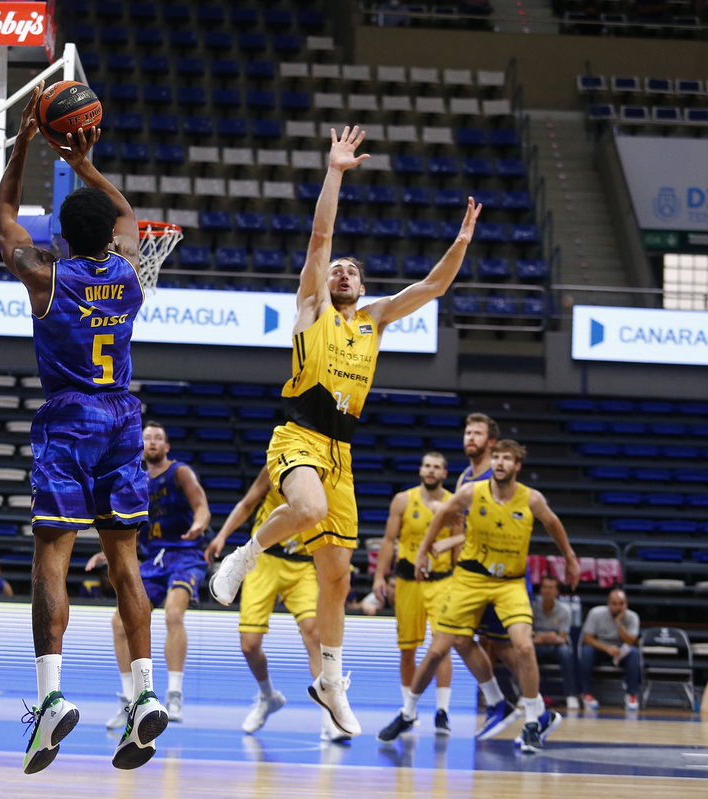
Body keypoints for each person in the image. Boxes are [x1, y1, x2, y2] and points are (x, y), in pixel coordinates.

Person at [209, 125, 483, 738]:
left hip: (342, 453)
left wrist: (462, 241)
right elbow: (320, 238)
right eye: (336, 269)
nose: (342, 273)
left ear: (363, 287)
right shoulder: (311, 309)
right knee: (307, 508)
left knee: (337, 576)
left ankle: (330, 682)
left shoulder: (375, 321)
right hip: (298, 434)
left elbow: (434, 286)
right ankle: (247, 555)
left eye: (352, 271)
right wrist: (334, 171)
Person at [0, 82, 166, 773]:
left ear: (63, 237)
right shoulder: (129, 273)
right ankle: (144, 693)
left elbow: (5, 217)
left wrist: (23, 143)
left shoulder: (46, 277)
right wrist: (84, 161)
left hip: (69, 418)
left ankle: (51, 696)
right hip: (123, 418)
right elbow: (125, 213)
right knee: (125, 564)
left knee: (52, 561)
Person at [377, 440, 580, 754]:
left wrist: (569, 557)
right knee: (439, 648)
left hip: (509, 583)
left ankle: (531, 722)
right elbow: (443, 515)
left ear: (517, 466)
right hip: (470, 579)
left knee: (523, 646)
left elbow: (553, 523)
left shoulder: (531, 498)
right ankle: (408, 712)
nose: (499, 463)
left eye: (506, 459)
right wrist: (423, 551)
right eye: (496, 457)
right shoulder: (472, 491)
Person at [205, 469, 351, 744]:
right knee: (249, 644)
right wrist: (223, 535)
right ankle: (267, 696)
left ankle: (330, 717)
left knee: (314, 633)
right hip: (265, 560)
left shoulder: (331, 467)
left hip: (303, 563)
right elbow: (247, 503)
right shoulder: (277, 464)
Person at [88, 420, 210, 728]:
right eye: (148, 438)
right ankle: (130, 700)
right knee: (119, 622)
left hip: (185, 556)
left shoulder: (180, 472)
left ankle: (174, 694)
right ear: (141, 446)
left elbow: (201, 504)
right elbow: (135, 529)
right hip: (153, 560)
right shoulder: (136, 480)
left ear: (167, 446)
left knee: (173, 614)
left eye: (158, 438)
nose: (153, 442)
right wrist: (108, 553)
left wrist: (200, 523)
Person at [372, 451, 455, 736]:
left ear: (444, 473)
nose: (431, 470)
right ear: (420, 470)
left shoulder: (453, 502)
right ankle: (409, 709)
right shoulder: (403, 500)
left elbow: (458, 545)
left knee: (442, 646)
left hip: (442, 580)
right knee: (407, 649)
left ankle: (442, 712)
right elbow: (388, 540)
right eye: (427, 465)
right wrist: (379, 576)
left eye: (437, 467)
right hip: (408, 581)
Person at [454, 412, 524, 705]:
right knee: (460, 638)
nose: (470, 438)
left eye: (477, 433)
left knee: (504, 646)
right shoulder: (464, 477)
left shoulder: (495, 479)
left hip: (496, 573)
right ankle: (497, 699)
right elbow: (460, 527)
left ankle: (532, 701)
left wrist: (447, 543)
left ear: (491, 442)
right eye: (468, 432)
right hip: (469, 572)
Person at [580, 587, 641, 711]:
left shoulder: (633, 617)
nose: (618, 607)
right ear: (608, 604)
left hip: (621, 651)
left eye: (621, 604)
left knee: (634, 653)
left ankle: (631, 695)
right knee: (587, 651)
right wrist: (607, 648)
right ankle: (586, 694)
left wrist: (619, 624)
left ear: (626, 604)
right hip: (601, 648)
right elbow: (587, 639)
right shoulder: (595, 613)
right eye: (614, 604)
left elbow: (631, 642)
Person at [532, 575, 579, 710]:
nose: (547, 591)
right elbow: (528, 632)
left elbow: (563, 637)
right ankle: (526, 695)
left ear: (557, 592)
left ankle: (571, 695)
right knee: (525, 651)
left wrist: (549, 638)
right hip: (536, 645)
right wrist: (544, 637)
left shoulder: (564, 610)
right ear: (540, 590)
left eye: (551, 588)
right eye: (545, 587)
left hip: (555, 646)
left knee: (565, 652)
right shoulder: (532, 608)